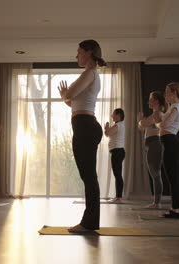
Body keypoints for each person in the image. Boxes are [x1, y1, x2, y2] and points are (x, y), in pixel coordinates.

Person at [58, 39, 106, 232]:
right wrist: (66, 97)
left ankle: (89, 223)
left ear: (88, 52)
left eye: (78, 52)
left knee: (89, 176)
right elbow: (75, 103)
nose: (76, 56)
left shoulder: (89, 72)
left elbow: (69, 93)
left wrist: (65, 94)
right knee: (87, 175)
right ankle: (90, 222)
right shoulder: (91, 74)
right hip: (84, 125)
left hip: (86, 127)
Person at [154, 82, 179, 218]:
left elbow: (164, 124)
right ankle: (174, 209)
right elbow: (161, 120)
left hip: (171, 144)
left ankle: (175, 210)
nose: (165, 95)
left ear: (174, 93)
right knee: (171, 178)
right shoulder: (173, 107)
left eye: (167, 92)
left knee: (173, 179)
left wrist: (158, 123)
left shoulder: (176, 107)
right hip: (169, 143)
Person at [138, 91, 167, 209]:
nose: (148, 101)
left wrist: (140, 120)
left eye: (150, 99)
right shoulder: (155, 114)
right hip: (151, 144)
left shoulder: (157, 114)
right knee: (155, 173)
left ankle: (157, 203)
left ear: (156, 101)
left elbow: (142, 124)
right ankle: (156, 202)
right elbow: (142, 126)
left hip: (155, 143)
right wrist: (142, 122)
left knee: (155, 173)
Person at [104, 108, 126, 203]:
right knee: (117, 174)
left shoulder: (118, 125)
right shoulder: (119, 125)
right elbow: (109, 134)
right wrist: (108, 129)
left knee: (117, 175)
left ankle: (119, 197)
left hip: (117, 152)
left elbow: (107, 133)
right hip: (118, 152)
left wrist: (106, 128)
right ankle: (118, 197)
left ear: (118, 115)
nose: (112, 115)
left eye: (113, 114)